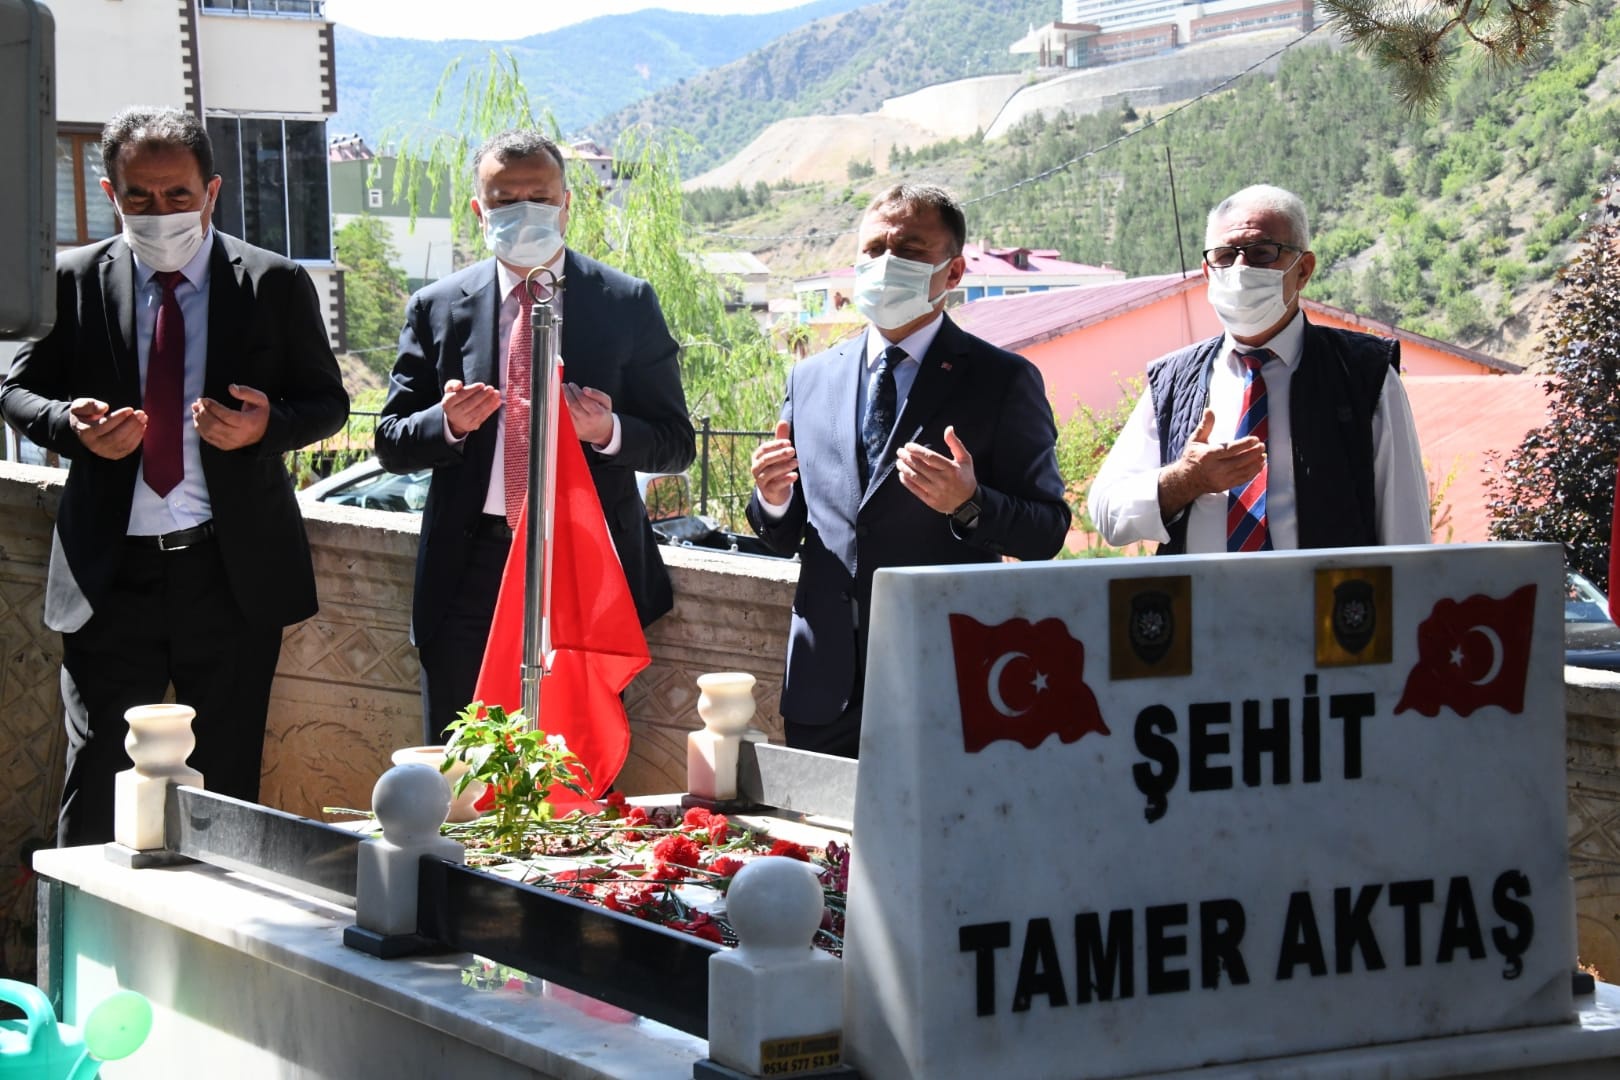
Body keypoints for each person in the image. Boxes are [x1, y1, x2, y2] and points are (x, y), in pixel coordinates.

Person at [0, 106, 349, 846]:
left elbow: (328, 402)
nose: (161, 213)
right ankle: (85, 947)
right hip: (109, 576)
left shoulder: (274, 283)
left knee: (224, 786)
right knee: (97, 776)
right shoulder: (70, 281)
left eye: (178, 196)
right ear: (110, 193)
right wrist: (72, 427)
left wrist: (266, 428)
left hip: (231, 577)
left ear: (212, 190)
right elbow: (13, 388)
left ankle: (213, 949)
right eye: (140, 198)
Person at [376, 128, 694, 744]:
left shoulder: (625, 301)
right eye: (504, 200)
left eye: (539, 197)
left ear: (567, 204)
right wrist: (449, 425)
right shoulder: (438, 307)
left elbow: (676, 442)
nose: (524, 212)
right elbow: (390, 440)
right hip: (472, 571)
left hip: (585, 569)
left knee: (576, 771)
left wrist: (606, 431)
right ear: (478, 210)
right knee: (465, 771)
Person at [747, 182, 1071, 758]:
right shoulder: (812, 376)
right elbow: (789, 532)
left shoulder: (1001, 381)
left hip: (946, 679)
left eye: (911, 251)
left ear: (952, 272)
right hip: (826, 686)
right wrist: (772, 498)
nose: (886, 265)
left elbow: (1047, 530)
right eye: (874, 251)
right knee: (823, 845)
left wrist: (969, 503)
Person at [1087, 184, 1430, 554]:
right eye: (1224, 256)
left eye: (1261, 253)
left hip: (1325, 608)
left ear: (1304, 270)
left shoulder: (1364, 374)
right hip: (1203, 607)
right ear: (1207, 271)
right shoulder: (1173, 381)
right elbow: (1107, 512)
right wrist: (1187, 480)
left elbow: (1406, 532)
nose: (1240, 269)